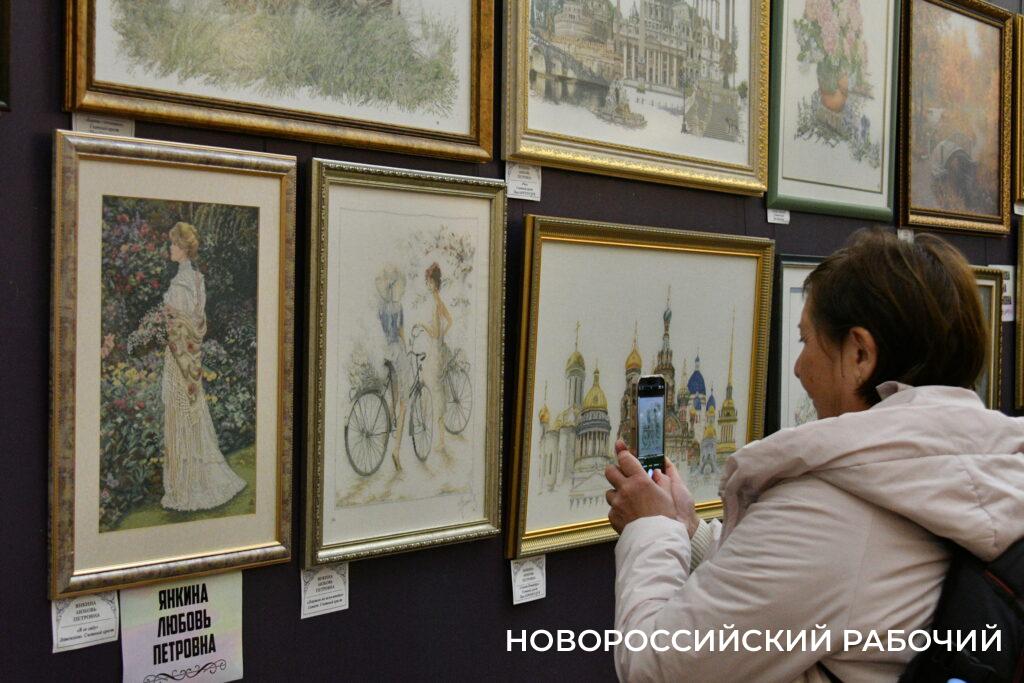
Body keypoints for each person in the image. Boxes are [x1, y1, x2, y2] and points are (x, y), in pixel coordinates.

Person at [605, 228, 1024, 682]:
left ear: (860, 354)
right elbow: (816, 588)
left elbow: (653, 666)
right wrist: (689, 531)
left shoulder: (830, 515)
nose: (798, 367)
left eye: (806, 341)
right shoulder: (985, 469)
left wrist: (652, 527)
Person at [158, 222, 246, 511]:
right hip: (192, 357)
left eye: (173, 244)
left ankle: (186, 486)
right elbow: (197, 322)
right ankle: (190, 479)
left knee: (182, 413)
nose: (170, 248)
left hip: (179, 358)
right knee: (191, 412)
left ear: (183, 248)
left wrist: (167, 324)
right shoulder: (197, 280)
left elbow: (179, 326)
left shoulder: (180, 284)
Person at [375, 265, 410, 471]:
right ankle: (396, 450)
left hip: (386, 351)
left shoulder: (381, 308)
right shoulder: (398, 307)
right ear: (395, 287)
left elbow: (383, 331)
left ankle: (383, 439)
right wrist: (408, 348)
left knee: (393, 395)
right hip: (397, 350)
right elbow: (401, 332)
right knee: (404, 402)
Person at [420, 262, 452, 451]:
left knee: (434, 391)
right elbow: (450, 321)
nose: (428, 284)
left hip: (435, 352)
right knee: (433, 389)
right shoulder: (438, 300)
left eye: (430, 281)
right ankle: (438, 438)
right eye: (427, 281)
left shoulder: (436, 303)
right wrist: (442, 339)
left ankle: (440, 440)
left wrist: (422, 325)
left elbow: (435, 332)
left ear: (435, 283)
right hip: (437, 349)